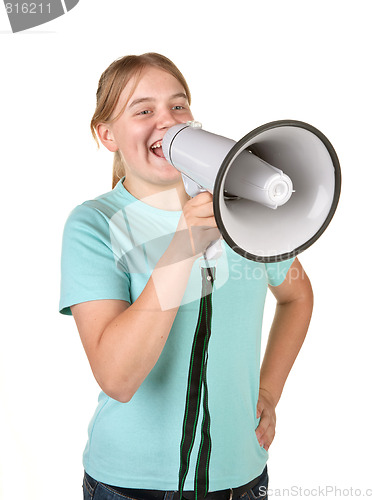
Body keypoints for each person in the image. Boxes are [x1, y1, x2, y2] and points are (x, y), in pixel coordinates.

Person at [59, 52, 314, 500]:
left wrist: (269, 392)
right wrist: (183, 247)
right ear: (107, 134)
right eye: (143, 110)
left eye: (178, 106)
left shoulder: (243, 212)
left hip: (241, 476)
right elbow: (117, 378)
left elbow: (296, 296)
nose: (167, 121)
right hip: (130, 485)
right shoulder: (95, 224)